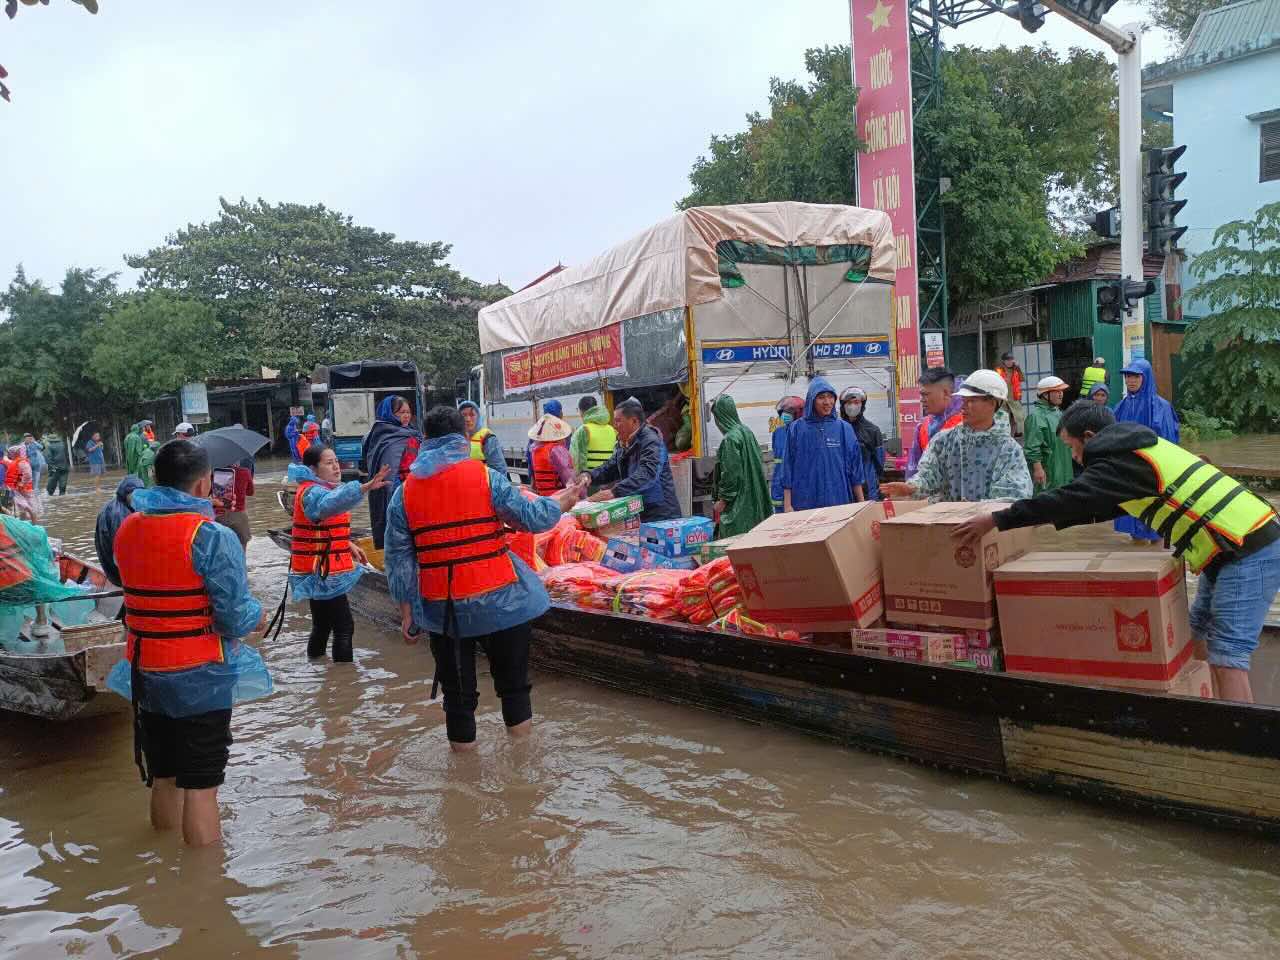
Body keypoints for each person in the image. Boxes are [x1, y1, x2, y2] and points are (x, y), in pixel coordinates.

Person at [952, 400, 1280, 704]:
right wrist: (1040, 520)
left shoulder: (1121, 460)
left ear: (1090, 437)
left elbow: (1070, 498)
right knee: (1196, 632)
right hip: (1230, 548)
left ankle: (1240, 742)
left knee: (1228, 653)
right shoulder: (1136, 449)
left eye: (1071, 447)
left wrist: (996, 520)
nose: (1075, 458)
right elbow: (1097, 506)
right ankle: (1206, 706)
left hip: (1249, 549)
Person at [384, 405, 581, 751]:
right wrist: (561, 502)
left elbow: (398, 561)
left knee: (458, 699)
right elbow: (531, 518)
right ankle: (522, 768)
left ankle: (463, 782)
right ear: (464, 438)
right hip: (501, 599)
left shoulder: (404, 493)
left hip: (445, 612)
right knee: (514, 687)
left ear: (425, 440)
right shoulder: (487, 477)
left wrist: (406, 614)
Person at [105, 440, 271, 847]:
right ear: (202, 486)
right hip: (200, 674)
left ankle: (162, 865)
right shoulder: (211, 536)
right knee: (201, 783)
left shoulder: (127, 527)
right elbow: (233, 616)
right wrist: (258, 617)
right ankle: (203, 889)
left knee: (163, 774)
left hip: (145, 670)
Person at [287, 444, 389, 662]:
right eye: (329, 463)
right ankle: (345, 681)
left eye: (336, 461)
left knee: (322, 625)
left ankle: (319, 671)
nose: (336, 467)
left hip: (319, 568)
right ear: (313, 469)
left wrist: (347, 543)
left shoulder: (318, 488)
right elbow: (329, 505)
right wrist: (365, 487)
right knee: (344, 627)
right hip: (323, 571)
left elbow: (324, 525)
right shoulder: (313, 492)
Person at [881, 369, 1033, 503]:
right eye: (964, 400)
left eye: (972, 400)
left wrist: (975, 510)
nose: (964, 406)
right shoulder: (944, 441)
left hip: (989, 532)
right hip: (947, 528)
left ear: (993, 403)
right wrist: (911, 488)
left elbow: (1015, 495)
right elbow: (928, 476)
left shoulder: (1009, 450)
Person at [577, 397, 681, 522]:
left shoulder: (651, 440)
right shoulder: (624, 442)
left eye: (618, 421)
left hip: (661, 513)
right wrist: (589, 475)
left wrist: (615, 491)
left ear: (634, 421)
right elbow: (611, 467)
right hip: (638, 510)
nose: (615, 426)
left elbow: (648, 473)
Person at [1113, 357, 1180, 543]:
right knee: (1134, 522)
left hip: (1153, 471)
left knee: (1156, 525)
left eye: (1135, 376)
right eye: (1127, 376)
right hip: (1128, 471)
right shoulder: (1120, 407)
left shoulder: (1161, 407)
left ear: (1146, 377)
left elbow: (1169, 443)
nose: (1130, 380)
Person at [780, 377, 865, 511]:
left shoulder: (844, 429)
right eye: (821, 397)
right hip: (804, 501)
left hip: (838, 499)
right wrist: (787, 504)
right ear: (811, 400)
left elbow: (855, 468)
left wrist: (861, 502)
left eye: (831, 397)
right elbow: (787, 467)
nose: (827, 402)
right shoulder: (796, 429)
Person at [364, 395, 423, 550]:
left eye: (408, 412)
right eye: (401, 412)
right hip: (398, 490)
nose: (406, 416)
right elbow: (388, 470)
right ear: (389, 413)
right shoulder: (383, 435)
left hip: (415, 488)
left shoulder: (412, 433)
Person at [710, 394, 773, 537]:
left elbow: (731, 473)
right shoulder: (746, 431)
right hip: (754, 499)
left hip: (739, 504)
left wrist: (723, 500)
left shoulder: (730, 439)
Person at [906, 368, 963, 479]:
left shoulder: (969, 422)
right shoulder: (923, 426)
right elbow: (913, 470)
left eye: (926, 394)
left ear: (946, 393)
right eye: (921, 395)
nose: (922, 400)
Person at [1024, 376, 1073, 493]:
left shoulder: (1058, 412)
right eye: (1057, 391)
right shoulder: (1036, 417)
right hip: (1049, 467)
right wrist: (1038, 468)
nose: (1061, 394)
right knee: (1047, 499)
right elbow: (1032, 447)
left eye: (1062, 391)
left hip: (1064, 463)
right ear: (1045, 395)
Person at [94, 475, 145, 586]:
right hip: (119, 572)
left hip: (110, 567)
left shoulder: (114, 506)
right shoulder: (120, 514)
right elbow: (124, 551)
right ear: (126, 493)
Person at [840, 386, 886, 501]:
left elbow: (879, 464)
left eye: (856, 402)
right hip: (842, 487)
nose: (852, 405)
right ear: (843, 405)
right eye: (849, 402)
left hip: (867, 488)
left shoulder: (873, 430)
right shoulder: (837, 429)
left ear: (862, 404)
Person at [769, 396, 804, 512]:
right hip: (778, 487)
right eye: (783, 412)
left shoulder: (803, 434)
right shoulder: (778, 432)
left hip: (797, 490)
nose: (785, 415)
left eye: (788, 413)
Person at [527, 414, 576, 495]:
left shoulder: (535, 449)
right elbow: (569, 477)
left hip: (544, 496)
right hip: (559, 496)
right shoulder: (556, 450)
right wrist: (583, 495)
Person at [570, 395, 617, 474]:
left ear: (582, 412)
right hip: (610, 477)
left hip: (589, 479)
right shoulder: (612, 429)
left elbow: (574, 457)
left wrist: (577, 477)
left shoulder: (583, 430)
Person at [212, 463, 255, 551]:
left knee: (221, 549)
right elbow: (250, 492)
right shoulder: (245, 472)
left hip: (219, 515)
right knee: (242, 549)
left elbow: (210, 492)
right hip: (239, 516)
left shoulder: (216, 473)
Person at [459, 400, 507, 473]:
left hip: (483, 483)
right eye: (464, 415)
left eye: (472, 415)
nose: (468, 419)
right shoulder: (456, 439)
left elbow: (499, 470)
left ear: (478, 417)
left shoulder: (488, 438)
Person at [5, 445, 40, 523]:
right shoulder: (17, 462)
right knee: (23, 509)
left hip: (23, 489)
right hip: (20, 489)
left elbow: (28, 474)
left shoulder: (21, 462)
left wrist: (22, 483)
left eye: (10, 453)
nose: (9, 455)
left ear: (13, 453)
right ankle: (25, 524)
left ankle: (34, 525)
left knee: (28, 508)